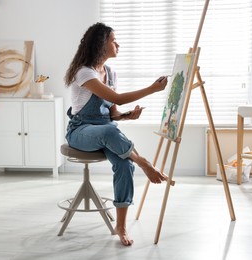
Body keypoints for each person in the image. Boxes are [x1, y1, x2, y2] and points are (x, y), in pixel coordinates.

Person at [64, 22, 168, 246]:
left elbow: (113, 112)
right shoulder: (84, 72)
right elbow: (118, 98)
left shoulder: (109, 73)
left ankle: (120, 226)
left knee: (124, 165)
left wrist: (126, 116)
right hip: (80, 131)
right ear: (102, 44)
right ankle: (144, 163)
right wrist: (152, 89)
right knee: (111, 132)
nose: (118, 44)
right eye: (113, 40)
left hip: (104, 131)